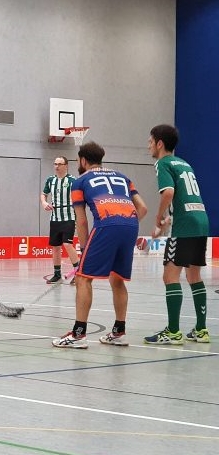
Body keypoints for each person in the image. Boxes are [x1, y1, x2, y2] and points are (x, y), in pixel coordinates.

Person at [52, 142, 147, 349]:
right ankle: (119, 332)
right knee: (117, 279)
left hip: (107, 224)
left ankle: (78, 335)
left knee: (83, 278)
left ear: (83, 160)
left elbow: (82, 220)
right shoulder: (123, 177)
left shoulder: (80, 181)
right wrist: (126, 225)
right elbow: (143, 207)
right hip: (131, 224)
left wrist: (85, 248)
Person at [143, 125, 210, 344]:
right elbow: (185, 198)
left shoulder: (162, 163)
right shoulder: (185, 163)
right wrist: (167, 222)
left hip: (185, 226)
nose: (149, 145)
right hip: (200, 220)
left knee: (170, 277)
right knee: (194, 277)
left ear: (160, 143)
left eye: (151, 141)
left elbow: (169, 193)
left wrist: (158, 217)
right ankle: (201, 330)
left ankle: (172, 331)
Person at [40, 156, 80, 284]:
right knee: (55, 247)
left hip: (69, 217)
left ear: (66, 165)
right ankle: (57, 274)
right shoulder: (50, 180)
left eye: (59, 164)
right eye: (55, 163)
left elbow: (80, 197)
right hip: (55, 218)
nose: (56, 166)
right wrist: (44, 203)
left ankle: (78, 272)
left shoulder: (73, 180)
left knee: (67, 244)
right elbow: (43, 194)